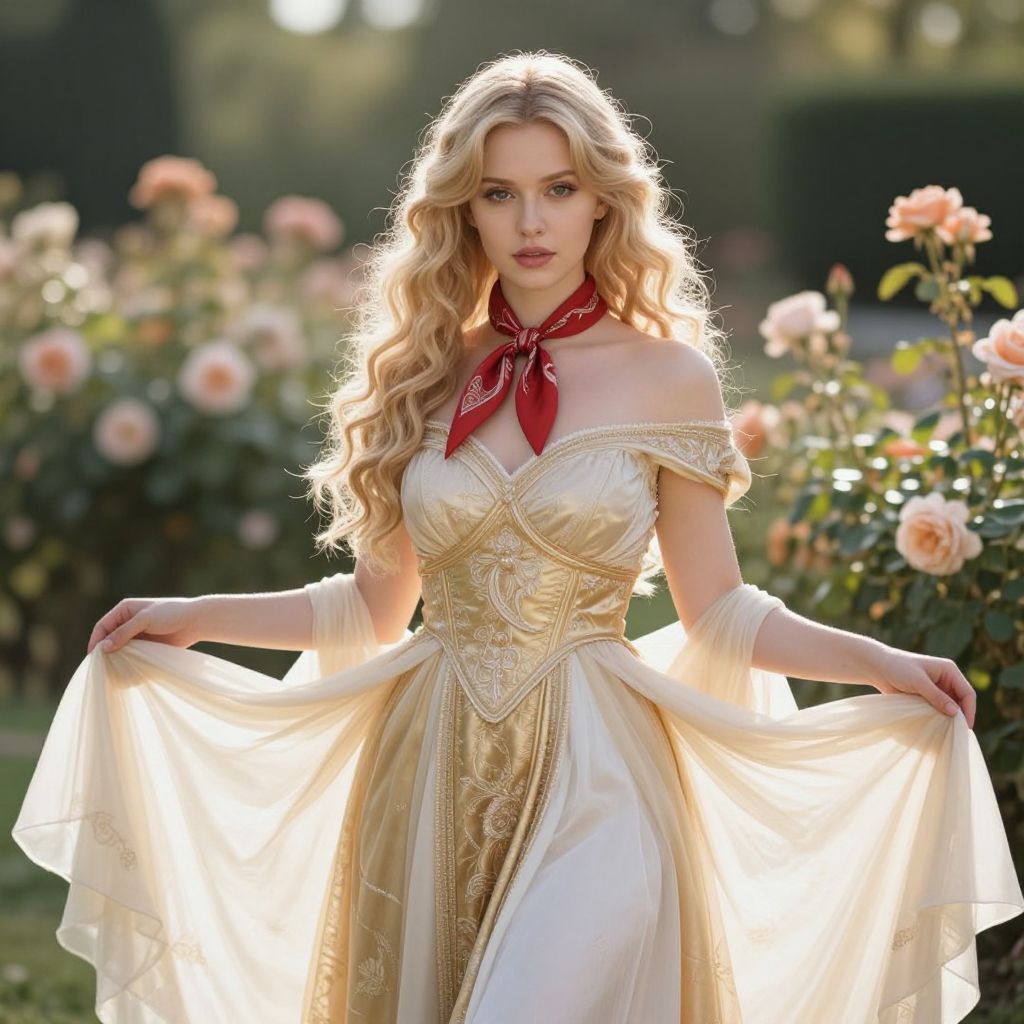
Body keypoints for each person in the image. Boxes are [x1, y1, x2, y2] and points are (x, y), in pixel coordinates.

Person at [12, 50, 1022, 1024]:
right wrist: (196, 616)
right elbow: (372, 606)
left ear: (601, 198)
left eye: (558, 187)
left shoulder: (670, 377)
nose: (530, 221)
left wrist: (876, 660)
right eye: (498, 193)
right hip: (426, 764)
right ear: (463, 207)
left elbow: (717, 607)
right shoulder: (423, 370)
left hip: (600, 772)